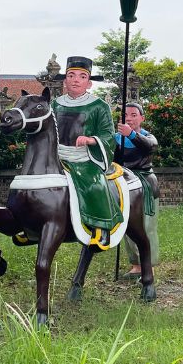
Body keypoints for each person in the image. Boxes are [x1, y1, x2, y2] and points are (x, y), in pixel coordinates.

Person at [52, 56, 120, 247]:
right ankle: (31, 224)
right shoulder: (55, 104)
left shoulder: (99, 106)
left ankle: (102, 226)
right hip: (57, 156)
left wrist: (91, 140)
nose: (75, 80)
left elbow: (108, 134)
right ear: (65, 81)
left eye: (82, 77)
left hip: (84, 158)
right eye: (71, 75)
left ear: (89, 83)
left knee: (95, 184)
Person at [114, 102, 160, 279]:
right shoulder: (117, 138)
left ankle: (149, 266)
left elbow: (149, 147)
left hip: (145, 184)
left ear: (142, 118)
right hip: (125, 184)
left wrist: (131, 135)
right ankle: (135, 265)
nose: (129, 118)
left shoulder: (147, 136)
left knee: (147, 226)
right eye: (125, 115)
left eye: (134, 115)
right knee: (127, 225)